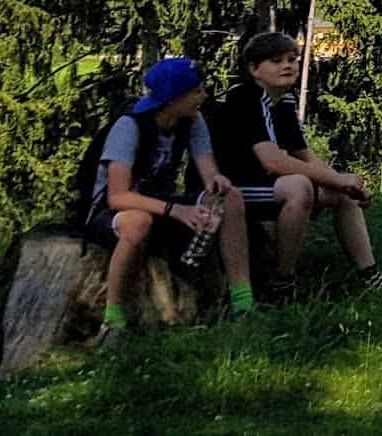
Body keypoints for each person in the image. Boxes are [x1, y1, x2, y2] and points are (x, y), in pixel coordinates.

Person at [74, 57, 255, 345]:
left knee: (230, 198)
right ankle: (114, 318)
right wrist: (176, 210)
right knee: (138, 222)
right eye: (196, 91)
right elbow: (117, 195)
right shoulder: (129, 127)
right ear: (173, 98)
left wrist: (216, 183)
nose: (204, 96)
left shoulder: (192, 121)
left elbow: (208, 170)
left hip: (159, 200)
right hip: (109, 210)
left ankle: (242, 300)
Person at [206, 31, 382, 305]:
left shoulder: (284, 101)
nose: (288, 66)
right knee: (299, 186)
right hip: (233, 189)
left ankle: (370, 275)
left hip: (265, 185)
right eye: (276, 61)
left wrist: (345, 184)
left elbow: (306, 158)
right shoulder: (245, 98)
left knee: (342, 194)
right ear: (254, 69)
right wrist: (340, 179)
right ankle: (282, 280)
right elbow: (273, 160)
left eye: (292, 59)